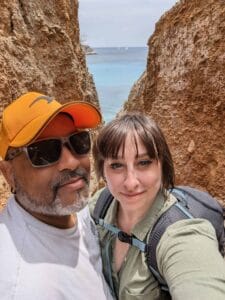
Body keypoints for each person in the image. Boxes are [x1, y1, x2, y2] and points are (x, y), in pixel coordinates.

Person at [90, 112, 225, 300]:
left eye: (144, 163)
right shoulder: (101, 205)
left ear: (162, 165)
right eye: (116, 165)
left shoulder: (182, 234)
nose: (131, 182)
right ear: (102, 171)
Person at [0, 92, 114, 300]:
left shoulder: (69, 210)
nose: (70, 162)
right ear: (9, 174)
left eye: (78, 141)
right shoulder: (23, 287)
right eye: (44, 152)